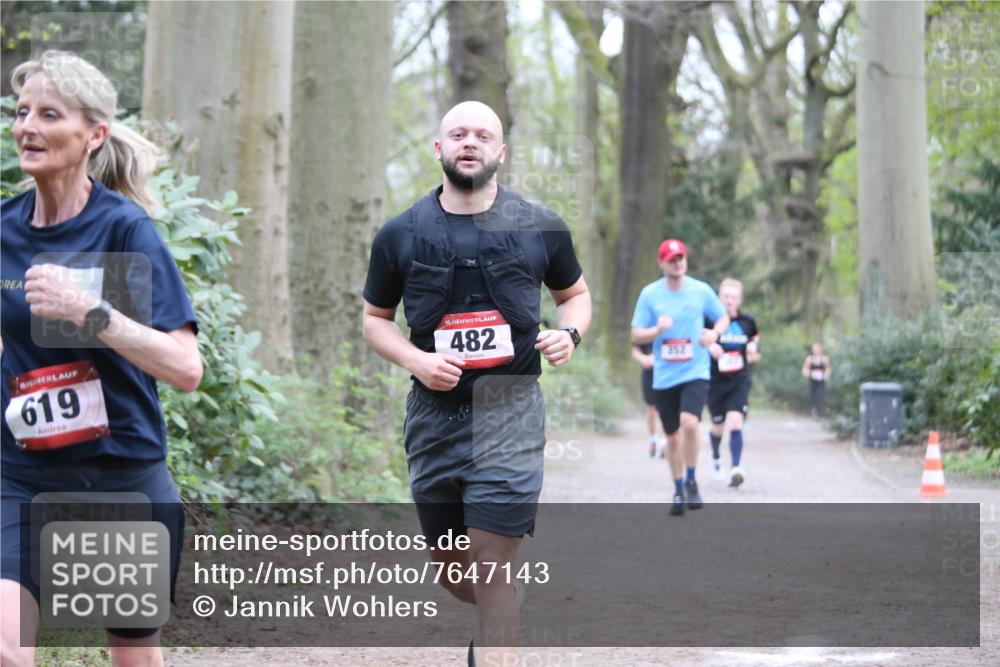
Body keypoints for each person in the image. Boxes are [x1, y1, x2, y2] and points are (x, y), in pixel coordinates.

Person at [361, 100, 591, 666]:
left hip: (509, 412)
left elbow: (575, 298)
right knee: (451, 570)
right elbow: (374, 320)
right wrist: (415, 360)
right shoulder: (400, 234)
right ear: (438, 149)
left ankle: (497, 622)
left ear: (501, 153)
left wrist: (571, 335)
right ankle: (501, 608)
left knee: (490, 568)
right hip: (434, 418)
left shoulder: (542, 226)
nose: (471, 142)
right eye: (458, 133)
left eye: (483, 135)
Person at [1, 51, 202, 667]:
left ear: (94, 135)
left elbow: (184, 368)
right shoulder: (4, 229)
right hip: (20, 478)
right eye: (22, 112)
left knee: (132, 657)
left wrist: (91, 310)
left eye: (49, 114)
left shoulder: (121, 232)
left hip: (117, 476)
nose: (27, 126)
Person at [631, 239, 729, 516]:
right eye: (672, 259)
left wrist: (714, 334)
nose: (678, 263)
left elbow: (721, 318)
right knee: (672, 438)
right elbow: (636, 334)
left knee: (690, 424)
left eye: (681, 258)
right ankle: (677, 489)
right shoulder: (650, 295)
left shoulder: (700, 290)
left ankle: (691, 478)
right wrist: (656, 330)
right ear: (662, 263)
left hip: (695, 371)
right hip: (664, 376)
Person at [705, 279, 760, 488]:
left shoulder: (747, 321)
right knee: (718, 426)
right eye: (726, 297)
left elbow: (755, 337)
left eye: (733, 297)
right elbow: (698, 340)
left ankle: (736, 467)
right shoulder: (710, 320)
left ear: (739, 300)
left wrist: (754, 346)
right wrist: (709, 348)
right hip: (715, 380)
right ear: (719, 298)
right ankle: (716, 455)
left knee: (736, 421)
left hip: (739, 379)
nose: (729, 301)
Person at [631, 343, 666, 458]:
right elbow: (635, 350)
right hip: (650, 372)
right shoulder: (644, 326)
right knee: (651, 408)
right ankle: (653, 440)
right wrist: (643, 359)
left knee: (667, 408)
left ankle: (665, 441)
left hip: (669, 372)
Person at [802, 342, 832, 418]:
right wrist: (807, 374)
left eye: (817, 348)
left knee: (819, 395)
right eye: (814, 348)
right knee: (812, 396)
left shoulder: (824, 359)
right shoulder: (809, 359)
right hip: (812, 380)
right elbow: (805, 369)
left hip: (821, 381)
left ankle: (818, 412)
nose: (815, 350)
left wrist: (826, 376)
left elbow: (828, 368)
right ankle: (813, 411)